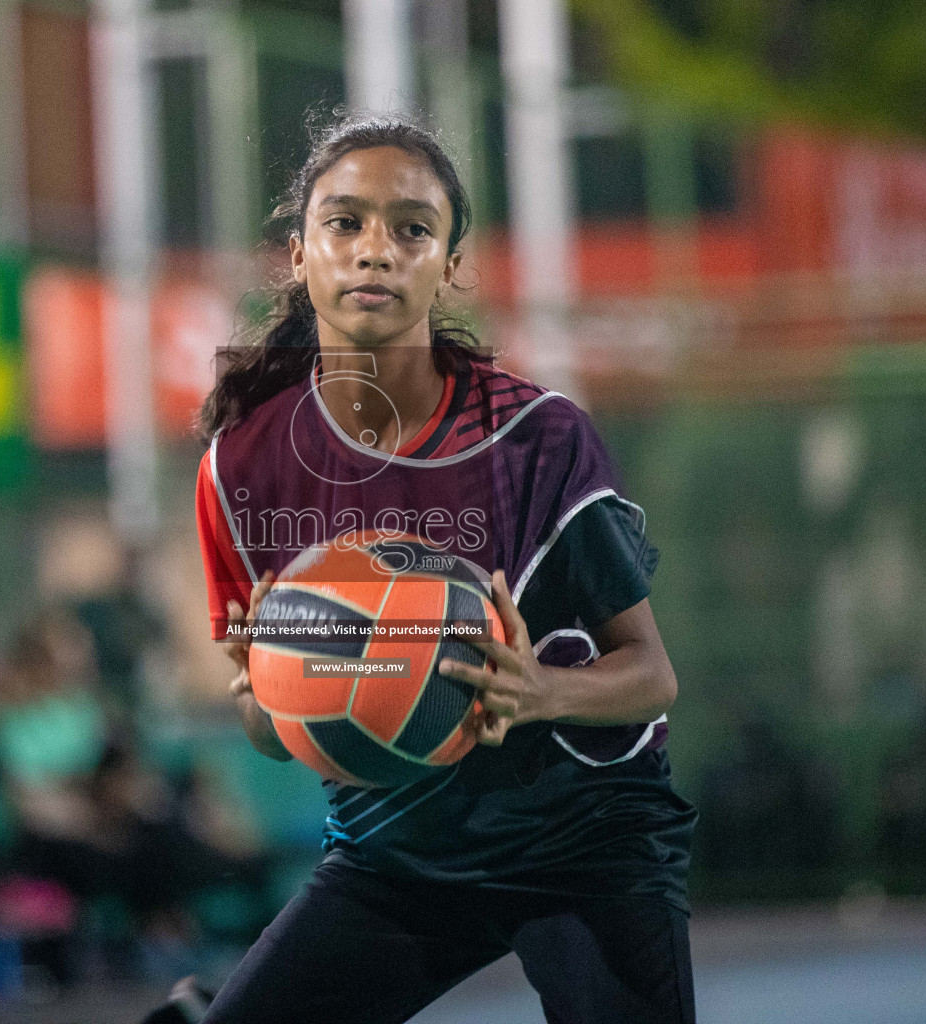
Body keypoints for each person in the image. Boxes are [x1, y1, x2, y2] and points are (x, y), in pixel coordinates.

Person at [188, 112, 698, 1023]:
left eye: (411, 228)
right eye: (344, 223)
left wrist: (538, 691)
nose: (374, 251)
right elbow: (274, 731)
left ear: (450, 265)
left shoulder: (536, 439)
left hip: (583, 839)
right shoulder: (243, 466)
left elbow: (651, 677)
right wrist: (261, 695)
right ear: (299, 253)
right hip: (397, 854)